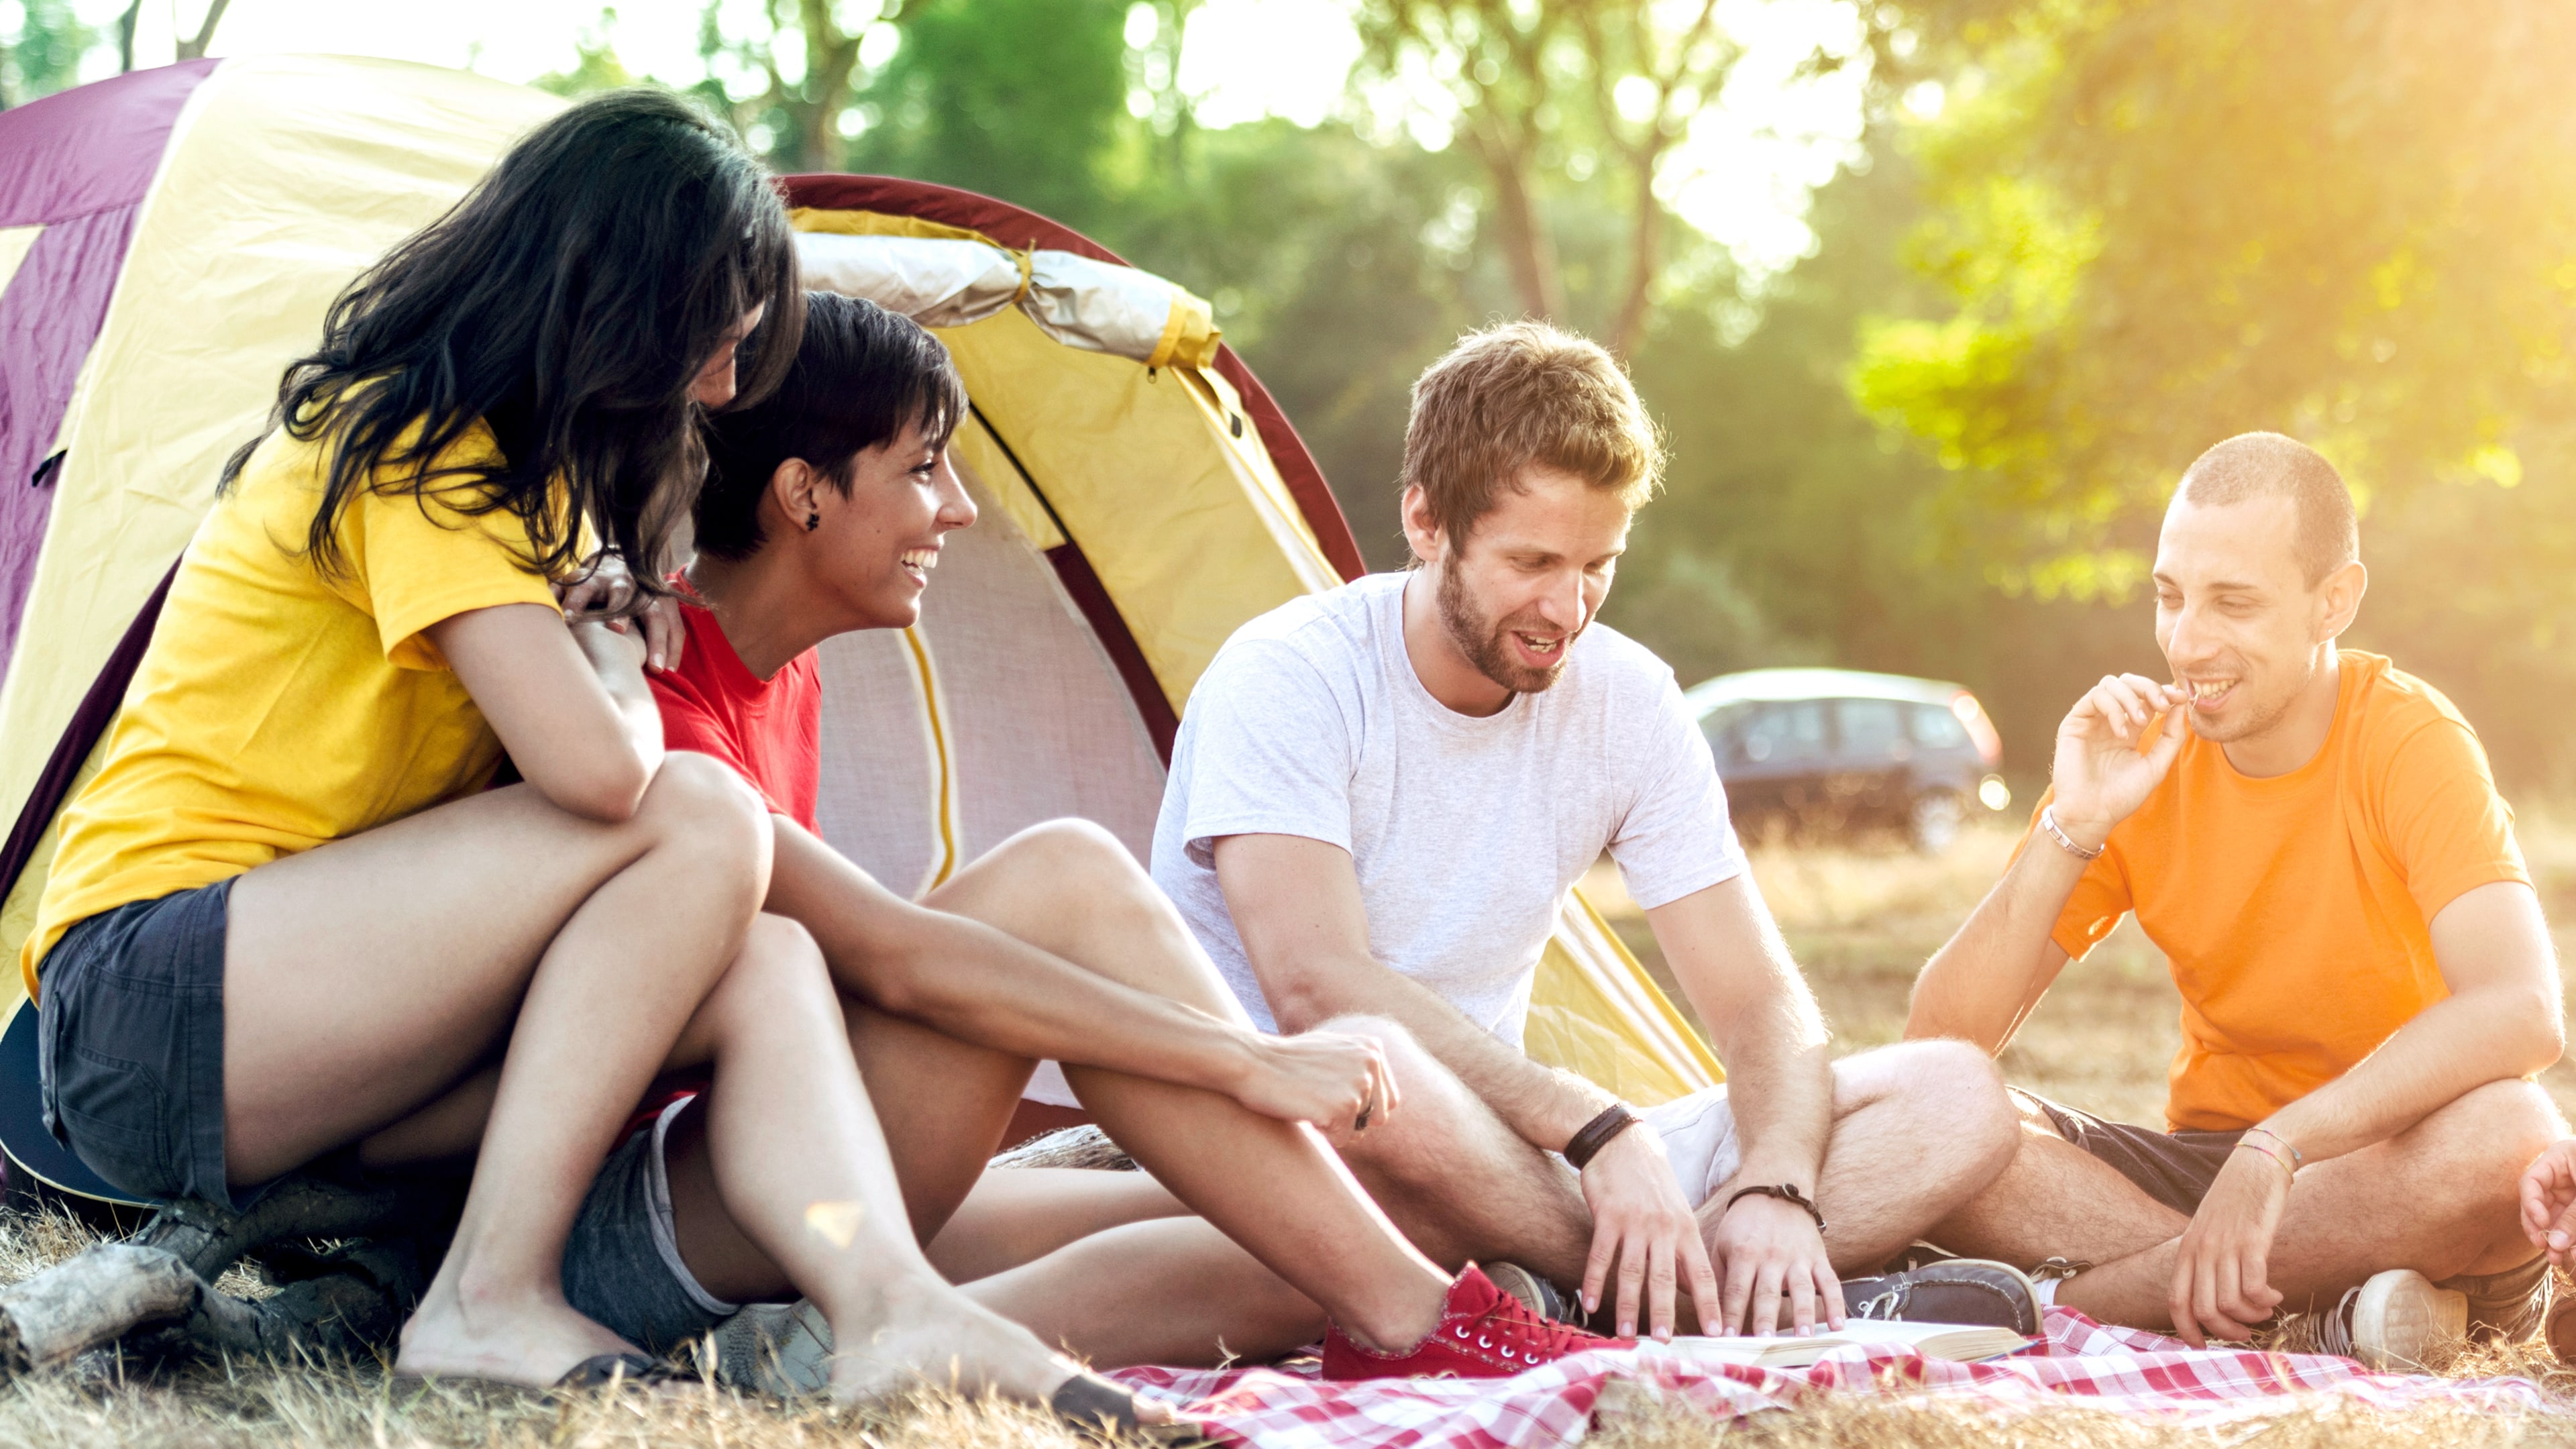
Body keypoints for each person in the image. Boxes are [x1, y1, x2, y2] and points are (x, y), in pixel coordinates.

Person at [17, 92, 1157, 1415]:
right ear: (627, 308)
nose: (729, 388)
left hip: (327, 1025)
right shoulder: (423, 450)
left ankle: (887, 1306)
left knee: (765, 953)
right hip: (151, 1003)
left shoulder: (535, 487)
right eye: (719, 345)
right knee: (701, 811)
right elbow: (606, 777)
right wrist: (619, 659)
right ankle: (488, 1297)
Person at [549, 290, 1629, 1380]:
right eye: (925, 468)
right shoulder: (654, 693)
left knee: (1295, 1235)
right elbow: (899, 961)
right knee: (1066, 883)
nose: (959, 509)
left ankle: (799, 1363)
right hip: (661, 1220)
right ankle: (1421, 1324)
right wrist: (1246, 1058)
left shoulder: (777, 671)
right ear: (802, 495)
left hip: (801, 1162)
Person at [1138, 320, 2030, 1345]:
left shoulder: (1629, 700)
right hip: (1326, 1144)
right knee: (1368, 1063)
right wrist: (1590, 1124)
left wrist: (1778, 1190)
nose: (1567, 609)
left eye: (1599, 564)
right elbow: (1314, 987)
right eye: (1533, 561)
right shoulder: (1291, 675)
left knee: (1956, 1092)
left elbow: (1756, 999)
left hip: (1516, 1169)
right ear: (1426, 523)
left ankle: (1614, 1287)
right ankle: (1731, 1304)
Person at [1907, 431, 2566, 1367]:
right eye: (2171, 597)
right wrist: (2078, 824)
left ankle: (2098, 1303)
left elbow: (2523, 1010)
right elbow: (1939, 1043)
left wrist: (2281, 1149)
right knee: (1935, 1112)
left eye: (2234, 604)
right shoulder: (2139, 759)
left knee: (2509, 1133)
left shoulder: (2410, 741)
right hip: (2201, 1175)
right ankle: (2312, 1311)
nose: (2187, 642)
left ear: (2333, 600)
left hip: (2393, 1159)